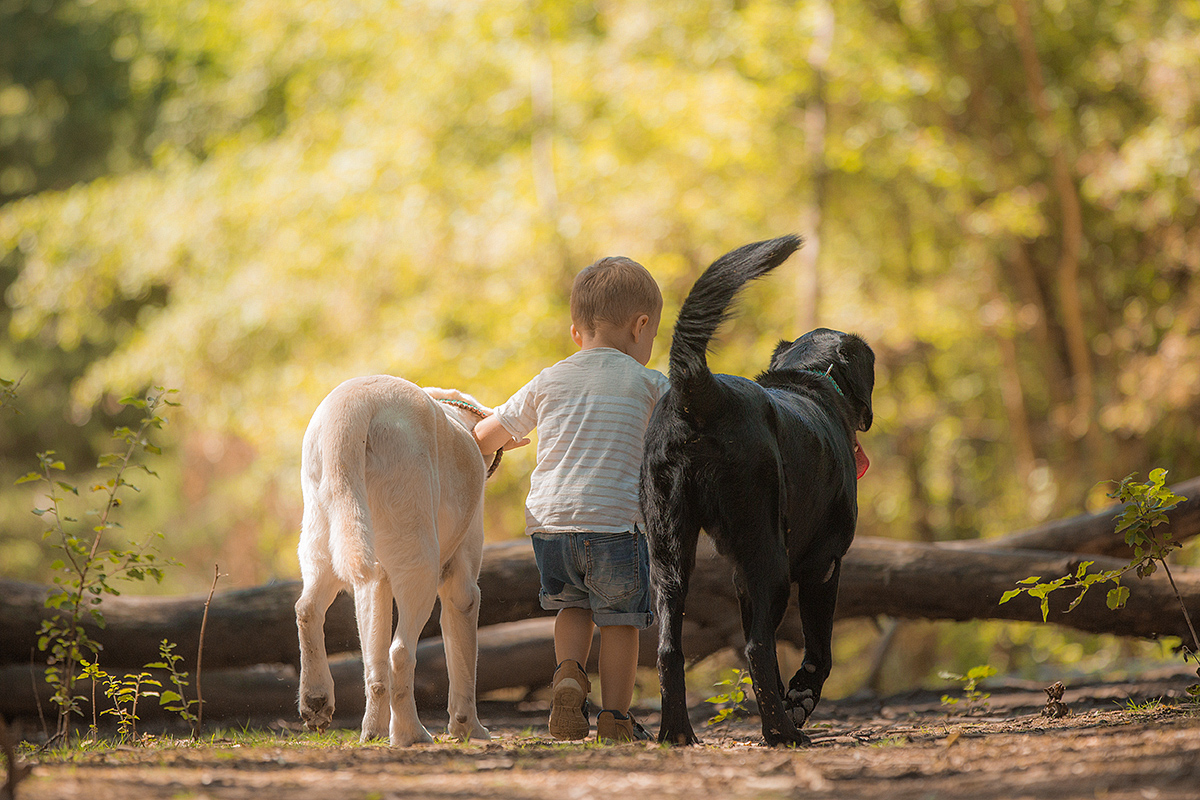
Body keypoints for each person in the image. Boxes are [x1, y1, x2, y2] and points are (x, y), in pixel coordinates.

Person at [473, 255, 669, 743]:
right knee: (621, 622)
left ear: (576, 332)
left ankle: (567, 675)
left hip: (551, 524)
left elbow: (482, 436)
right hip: (617, 525)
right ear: (640, 326)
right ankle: (615, 720)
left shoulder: (550, 378)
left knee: (572, 607)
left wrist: (509, 440)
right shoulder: (650, 385)